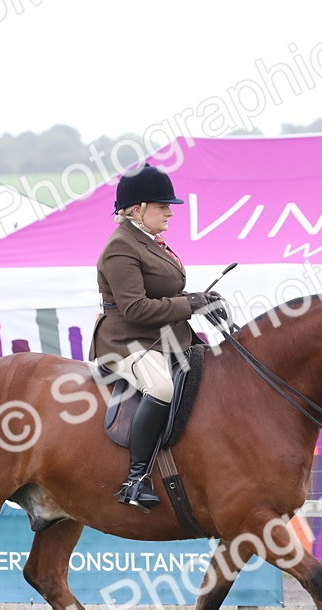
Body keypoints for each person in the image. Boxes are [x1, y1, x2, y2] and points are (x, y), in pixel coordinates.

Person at [89, 163, 222, 510]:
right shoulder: (120, 248)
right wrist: (188, 304)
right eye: (162, 206)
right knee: (161, 387)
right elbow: (136, 309)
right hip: (127, 341)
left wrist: (201, 301)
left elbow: (165, 292)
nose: (169, 212)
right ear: (137, 210)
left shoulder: (150, 242)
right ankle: (135, 479)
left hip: (166, 337)